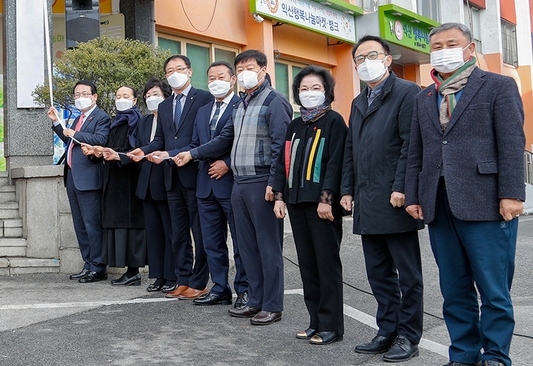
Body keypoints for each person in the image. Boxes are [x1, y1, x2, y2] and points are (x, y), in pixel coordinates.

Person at [405, 22, 526, 366]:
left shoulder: (498, 86)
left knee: (493, 288)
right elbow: (417, 151)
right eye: (437, 45)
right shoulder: (424, 96)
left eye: (451, 43)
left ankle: (496, 356)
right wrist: (415, 195)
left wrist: (512, 193)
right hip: (439, 204)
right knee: (454, 289)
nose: (443, 50)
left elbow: (513, 143)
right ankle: (463, 354)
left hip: (487, 200)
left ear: (470, 49)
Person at [175, 49, 292, 326]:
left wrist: (276, 188)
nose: (244, 74)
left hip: (261, 183)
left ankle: (273, 305)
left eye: (249, 68)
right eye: (240, 69)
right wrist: (191, 154)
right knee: (248, 247)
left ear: (263, 70)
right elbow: (225, 138)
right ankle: (255, 300)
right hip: (239, 184)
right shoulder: (241, 103)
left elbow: (281, 148)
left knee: (268, 247)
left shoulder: (274, 101)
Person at [340, 35, 423, 362]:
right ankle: (387, 329)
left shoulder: (406, 93)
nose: (364, 62)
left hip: (395, 200)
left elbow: (410, 145)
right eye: (358, 59)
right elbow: (351, 150)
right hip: (367, 201)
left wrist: (402, 186)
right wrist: (347, 189)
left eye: (371, 55)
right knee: (378, 273)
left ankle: (408, 336)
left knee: (408, 275)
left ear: (388, 59)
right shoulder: (359, 101)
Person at [273, 66, 347, 345]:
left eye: (315, 88)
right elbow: (284, 163)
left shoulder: (334, 122)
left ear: (327, 90)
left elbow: (336, 163)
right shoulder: (295, 125)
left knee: (327, 265)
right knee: (307, 265)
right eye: (304, 88)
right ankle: (315, 320)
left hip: (322, 205)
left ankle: (332, 326)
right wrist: (279, 197)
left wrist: (327, 199)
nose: (309, 93)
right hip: (296, 202)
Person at [129, 55, 212, 300]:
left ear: (189, 71)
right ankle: (183, 279)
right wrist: (143, 151)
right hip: (170, 177)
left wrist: (172, 152)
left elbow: (202, 138)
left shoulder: (204, 98)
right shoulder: (164, 106)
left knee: (200, 232)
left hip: (195, 175)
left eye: (179, 69)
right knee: (178, 233)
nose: (174, 73)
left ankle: (200, 281)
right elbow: (161, 140)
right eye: (169, 70)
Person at [104, 80, 176, 293]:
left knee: (170, 232)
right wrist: (118, 155)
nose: (151, 98)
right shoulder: (144, 122)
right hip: (145, 183)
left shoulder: (171, 119)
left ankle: (173, 276)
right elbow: (137, 151)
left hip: (166, 180)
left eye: (156, 94)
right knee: (153, 234)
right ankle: (158, 276)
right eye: (148, 95)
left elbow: (160, 147)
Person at [191, 62, 248, 308]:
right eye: (211, 77)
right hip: (205, 185)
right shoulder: (203, 111)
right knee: (212, 241)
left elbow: (243, 142)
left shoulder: (242, 106)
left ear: (233, 80)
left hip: (231, 184)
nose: (216, 81)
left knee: (240, 240)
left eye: (221, 76)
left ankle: (244, 289)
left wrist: (226, 163)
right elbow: (195, 143)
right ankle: (220, 287)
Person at [48, 80, 111, 283]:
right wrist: (57, 124)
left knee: (93, 224)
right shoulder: (78, 118)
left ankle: (99, 266)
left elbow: (100, 139)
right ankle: (88, 263)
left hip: (90, 178)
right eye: (77, 94)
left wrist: (75, 133)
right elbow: (70, 141)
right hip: (73, 177)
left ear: (95, 97)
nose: (80, 98)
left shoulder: (101, 117)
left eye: (85, 93)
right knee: (80, 225)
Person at [88, 85, 145, 286]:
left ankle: (133, 271)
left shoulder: (137, 121)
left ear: (135, 100)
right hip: (114, 180)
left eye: (126, 96)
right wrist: (99, 152)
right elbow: (111, 149)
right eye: (118, 96)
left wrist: (116, 154)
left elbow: (137, 150)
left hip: (129, 180)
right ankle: (129, 271)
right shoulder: (115, 123)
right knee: (118, 224)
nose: (121, 99)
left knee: (131, 226)